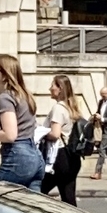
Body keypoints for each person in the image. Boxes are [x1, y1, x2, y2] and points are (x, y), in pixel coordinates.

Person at [0, 54, 47, 188]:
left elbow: (10, 135)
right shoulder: (25, 96)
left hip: (17, 158)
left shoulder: (5, 98)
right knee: (29, 207)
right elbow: (3, 135)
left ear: (6, 75)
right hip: (35, 157)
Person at [45, 74, 87, 204]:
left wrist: (41, 133)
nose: (49, 88)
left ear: (60, 88)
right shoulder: (72, 108)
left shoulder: (58, 108)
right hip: (72, 158)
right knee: (69, 199)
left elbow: (55, 134)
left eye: (52, 85)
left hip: (59, 157)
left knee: (36, 191)